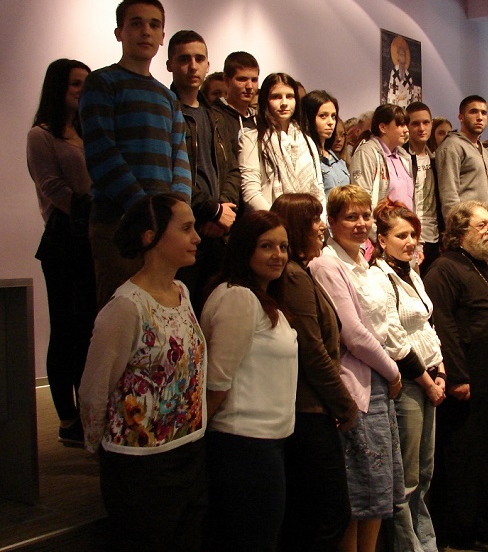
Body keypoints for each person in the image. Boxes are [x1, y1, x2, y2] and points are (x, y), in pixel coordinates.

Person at [79, 194, 206, 552]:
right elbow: (94, 388)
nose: (197, 238)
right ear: (151, 237)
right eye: (186, 228)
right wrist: (100, 449)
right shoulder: (126, 307)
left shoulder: (182, 292)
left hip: (188, 454)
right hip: (141, 466)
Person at [79, 0, 192, 308]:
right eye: (136, 23)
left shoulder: (168, 97)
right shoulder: (102, 83)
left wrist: (176, 212)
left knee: (161, 312)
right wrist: (147, 211)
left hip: (162, 227)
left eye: (154, 25)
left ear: (162, 36)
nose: (146, 31)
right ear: (120, 32)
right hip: (117, 223)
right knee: (122, 310)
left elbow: (179, 158)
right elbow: (101, 154)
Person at [308, 185, 403, 552]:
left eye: (365, 216)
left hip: (377, 379)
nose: (361, 223)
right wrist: (393, 370)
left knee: (378, 492)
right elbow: (353, 334)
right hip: (355, 384)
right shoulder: (327, 264)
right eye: (351, 217)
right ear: (331, 222)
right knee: (357, 496)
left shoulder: (364, 263)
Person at [424, 201, 488, 550]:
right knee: (468, 457)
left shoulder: (484, 266)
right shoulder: (445, 268)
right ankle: (465, 530)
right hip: (470, 380)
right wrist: (456, 376)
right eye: (481, 225)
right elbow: (443, 325)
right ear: (458, 233)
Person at [200, 210, 298, 551]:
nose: (278, 255)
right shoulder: (238, 297)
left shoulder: (263, 299)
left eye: (283, 246)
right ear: (244, 248)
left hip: (264, 445)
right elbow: (217, 381)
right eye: (266, 246)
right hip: (242, 446)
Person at [271, 193, 358, 551]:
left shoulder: (299, 272)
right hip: (309, 411)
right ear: (297, 227)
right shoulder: (293, 277)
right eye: (314, 220)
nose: (321, 227)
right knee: (325, 515)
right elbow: (313, 351)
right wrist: (345, 405)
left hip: (315, 408)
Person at [27, 58, 96, 446]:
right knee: (66, 329)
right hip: (64, 241)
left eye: (86, 83)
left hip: (94, 239)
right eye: (75, 84)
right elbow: (52, 188)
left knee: (90, 329)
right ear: (58, 88)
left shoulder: (89, 132)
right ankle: (68, 419)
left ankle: (89, 413)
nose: (82, 90)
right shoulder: (41, 135)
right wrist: (92, 211)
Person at [371, 199, 445, 552]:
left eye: (414, 234)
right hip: (409, 384)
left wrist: (441, 369)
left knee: (426, 471)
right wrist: (428, 383)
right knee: (407, 477)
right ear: (382, 239)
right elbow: (395, 339)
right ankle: (408, 546)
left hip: (430, 377)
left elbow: (428, 325)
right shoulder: (378, 276)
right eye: (402, 235)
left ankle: (425, 541)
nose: (411, 241)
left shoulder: (412, 272)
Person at [166, 30, 240, 308]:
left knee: (215, 312)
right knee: (182, 308)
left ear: (208, 65)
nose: (192, 66)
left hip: (219, 231)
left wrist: (223, 210)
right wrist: (212, 210)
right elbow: (172, 173)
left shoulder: (216, 116)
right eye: (184, 59)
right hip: (182, 228)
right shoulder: (167, 111)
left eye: (199, 59)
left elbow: (232, 170)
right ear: (170, 64)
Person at [239, 72, 325, 212]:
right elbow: (251, 192)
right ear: (265, 100)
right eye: (276, 97)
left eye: (289, 96)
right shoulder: (252, 139)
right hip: (271, 220)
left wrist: (319, 218)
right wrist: (278, 221)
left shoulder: (307, 141)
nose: (284, 103)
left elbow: (318, 188)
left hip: (308, 219)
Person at [435, 95, 488, 226]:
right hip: (466, 228)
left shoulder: (482, 149)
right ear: (461, 117)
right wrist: (458, 229)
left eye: (483, 113)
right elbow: (449, 195)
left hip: (485, 226)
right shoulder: (452, 146)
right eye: (473, 112)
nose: (479, 117)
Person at [349, 104, 414, 211]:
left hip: (405, 220)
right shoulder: (366, 153)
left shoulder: (404, 156)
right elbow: (361, 198)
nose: (406, 130)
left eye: (406, 125)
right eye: (400, 125)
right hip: (380, 220)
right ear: (383, 127)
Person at [403, 101, 441, 275]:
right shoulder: (401, 159)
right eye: (415, 123)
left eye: (426, 122)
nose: (421, 128)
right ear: (407, 126)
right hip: (410, 236)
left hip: (434, 237)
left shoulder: (437, 159)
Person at [302, 90, 350, 197]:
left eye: (333, 116)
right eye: (323, 116)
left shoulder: (335, 158)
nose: (330, 122)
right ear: (309, 118)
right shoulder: (305, 156)